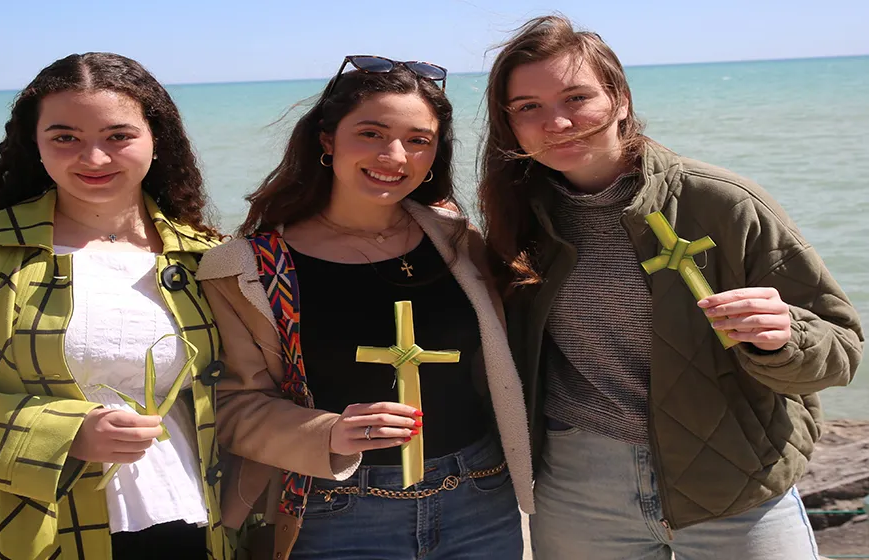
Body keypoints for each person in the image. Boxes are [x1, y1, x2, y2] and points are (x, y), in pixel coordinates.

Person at [477, 15, 864, 560]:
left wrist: (785, 336)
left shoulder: (722, 203)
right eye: (528, 107)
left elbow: (841, 351)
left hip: (733, 481)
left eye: (577, 97)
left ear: (620, 101)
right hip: (579, 486)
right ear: (509, 124)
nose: (557, 123)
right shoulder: (521, 222)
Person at [0, 52, 232, 560]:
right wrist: (60, 433)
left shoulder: (209, 258)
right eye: (66, 138)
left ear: (157, 139)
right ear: (35, 145)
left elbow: (249, 391)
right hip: (6, 533)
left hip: (195, 521)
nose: (94, 158)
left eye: (118, 136)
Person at [196, 55, 534, 560]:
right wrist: (329, 431)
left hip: (480, 496)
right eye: (372, 133)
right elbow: (231, 407)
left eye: (419, 140)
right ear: (327, 140)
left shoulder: (457, 241)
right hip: (339, 511)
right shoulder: (251, 267)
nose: (395, 155)